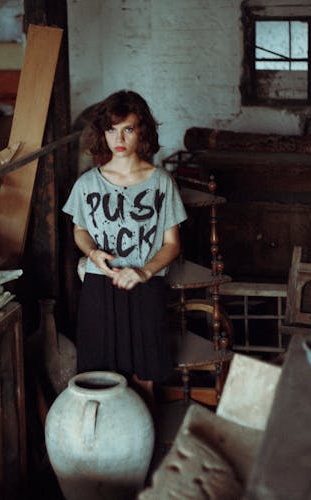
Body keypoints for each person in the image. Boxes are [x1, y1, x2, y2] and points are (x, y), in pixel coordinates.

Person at [62, 90, 187, 406]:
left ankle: (143, 443)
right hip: (100, 285)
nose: (119, 138)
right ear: (102, 133)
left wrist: (143, 272)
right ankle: (107, 447)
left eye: (127, 129)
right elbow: (80, 231)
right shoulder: (88, 183)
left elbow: (172, 245)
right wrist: (93, 253)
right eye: (111, 129)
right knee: (99, 373)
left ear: (141, 131)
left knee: (144, 374)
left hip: (145, 286)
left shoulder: (161, 183)